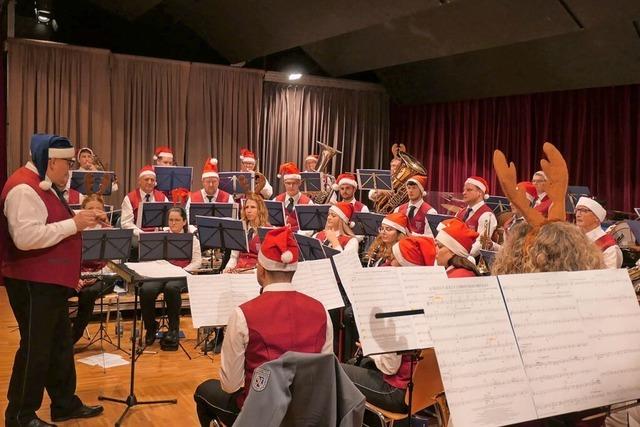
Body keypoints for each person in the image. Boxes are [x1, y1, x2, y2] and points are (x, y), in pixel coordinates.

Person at [1, 134, 105, 426]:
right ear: (50, 161)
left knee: (59, 343)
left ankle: (64, 403)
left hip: (48, 281)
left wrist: (84, 218)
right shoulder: (24, 188)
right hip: (32, 283)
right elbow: (25, 238)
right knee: (35, 348)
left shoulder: (43, 184)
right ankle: (20, 415)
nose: (70, 169)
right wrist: (74, 223)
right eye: (67, 163)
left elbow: (51, 221)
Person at [193, 227, 333, 426]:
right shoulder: (322, 312)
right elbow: (324, 373)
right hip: (309, 413)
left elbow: (230, 385)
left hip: (262, 415)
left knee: (204, 391)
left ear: (261, 269)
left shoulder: (243, 314)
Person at [342, 236, 436, 416]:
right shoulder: (429, 298)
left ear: (403, 268)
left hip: (397, 391)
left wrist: (372, 347)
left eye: (394, 260)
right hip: (423, 391)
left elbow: (389, 367)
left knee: (335, 370)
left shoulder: (397, 307)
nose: (389, 262)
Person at [140, 206, 201, 350]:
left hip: (181, 274)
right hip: (161, 273)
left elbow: (197, 262)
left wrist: (181, 270)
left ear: (184, 222)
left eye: (177, 220)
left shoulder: (192, 239)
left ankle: (173, 330)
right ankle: (150, 327)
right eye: (171, 220)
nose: (173, 223)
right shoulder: (161, 237)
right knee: (146, 290)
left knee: (171, 288)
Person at [71, 194, 117, 345]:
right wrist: (75, 277)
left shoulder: (109, 230)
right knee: (58, 291)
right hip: (78, 275)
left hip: (103, 276)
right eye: (90, 208)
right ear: (82, 211)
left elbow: (115, 262)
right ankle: (58, 334)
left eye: (99, 209)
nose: (95, 212)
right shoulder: (75, 230)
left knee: (88, 294)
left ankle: (72, 339)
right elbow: (68, 259)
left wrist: (96, 276)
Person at [224, 193, 270, 273]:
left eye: (253, 207)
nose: (248, 211)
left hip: (257, 272)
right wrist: (228, 268)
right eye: (246, 207)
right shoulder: (239, 228)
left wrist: (253, 272)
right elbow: (234, 257)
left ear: (260, 209)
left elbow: (268, 261)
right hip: (239, 270)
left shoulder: (267, 230)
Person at [454, 175, 497, 257]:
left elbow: (480, 244)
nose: (464, 193)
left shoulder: (487, 215)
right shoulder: (460, 212)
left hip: (471, 261)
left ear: (480, 193)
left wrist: (460, 255)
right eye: (464, 190)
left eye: (469, 190)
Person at [574, 197, 622, 269]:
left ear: (596, 217)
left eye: (584, 210)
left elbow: (609, 277)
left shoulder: (608, 247)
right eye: (577, 210)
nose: (578, 214)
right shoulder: (572, 238)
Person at [120, 165, 168, 235]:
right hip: (137, 235)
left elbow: (168, 220)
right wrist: (142, 234)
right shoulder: (129, 198)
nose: (149, 182)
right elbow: (126, 223)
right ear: (139, 181)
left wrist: (162, 231)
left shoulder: (162, 197)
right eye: (146, 179)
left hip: (158, 234)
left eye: (152, 180)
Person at [274, 162, 313, 231]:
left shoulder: (308, 203)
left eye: (294, 183)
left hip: (297, 238)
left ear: (299, 183)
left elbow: (309, 228)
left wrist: (296, 237)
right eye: (288, 183)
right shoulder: (276, 200)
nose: (291, 186)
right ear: (284, 183)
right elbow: (272, 222)